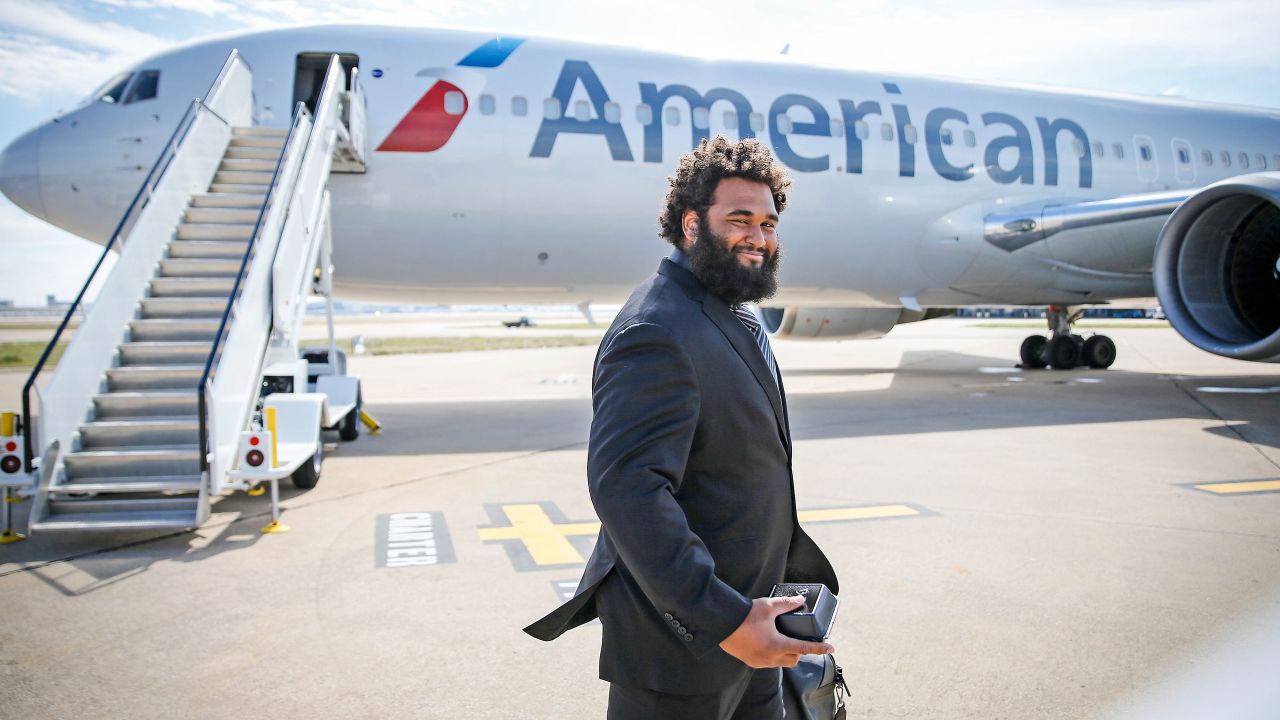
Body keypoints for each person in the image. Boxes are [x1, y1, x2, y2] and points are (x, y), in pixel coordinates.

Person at [524, 135, 839, 719]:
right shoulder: (657, 329)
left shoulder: (724, 310)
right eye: (739, 219)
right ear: (692, 225)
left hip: (755, 632)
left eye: (769, 224)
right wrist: (726, 619)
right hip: (685, 650)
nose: (759, 237)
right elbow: (629, 490)